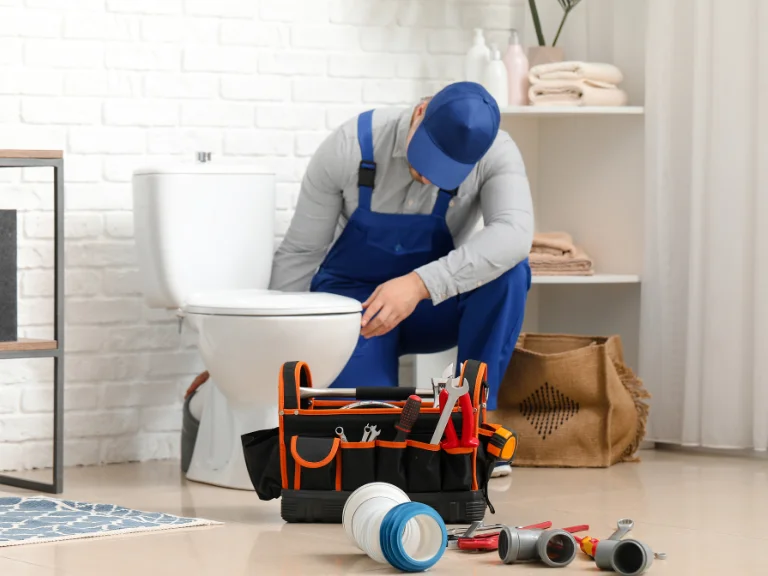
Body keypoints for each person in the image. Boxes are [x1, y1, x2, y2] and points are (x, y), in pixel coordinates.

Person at [270, 82, 533, 475]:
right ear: (419, 113)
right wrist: (271, 349)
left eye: (444, 173)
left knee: (510, 271)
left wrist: (418, 285)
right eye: (423, 160)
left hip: (430, 305)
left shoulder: (496, 153)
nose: (427, 179)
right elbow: (300, 254)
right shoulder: (350, 146)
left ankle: (473, 424)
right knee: (366, 438)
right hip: (357, 314)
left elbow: (514, 234)